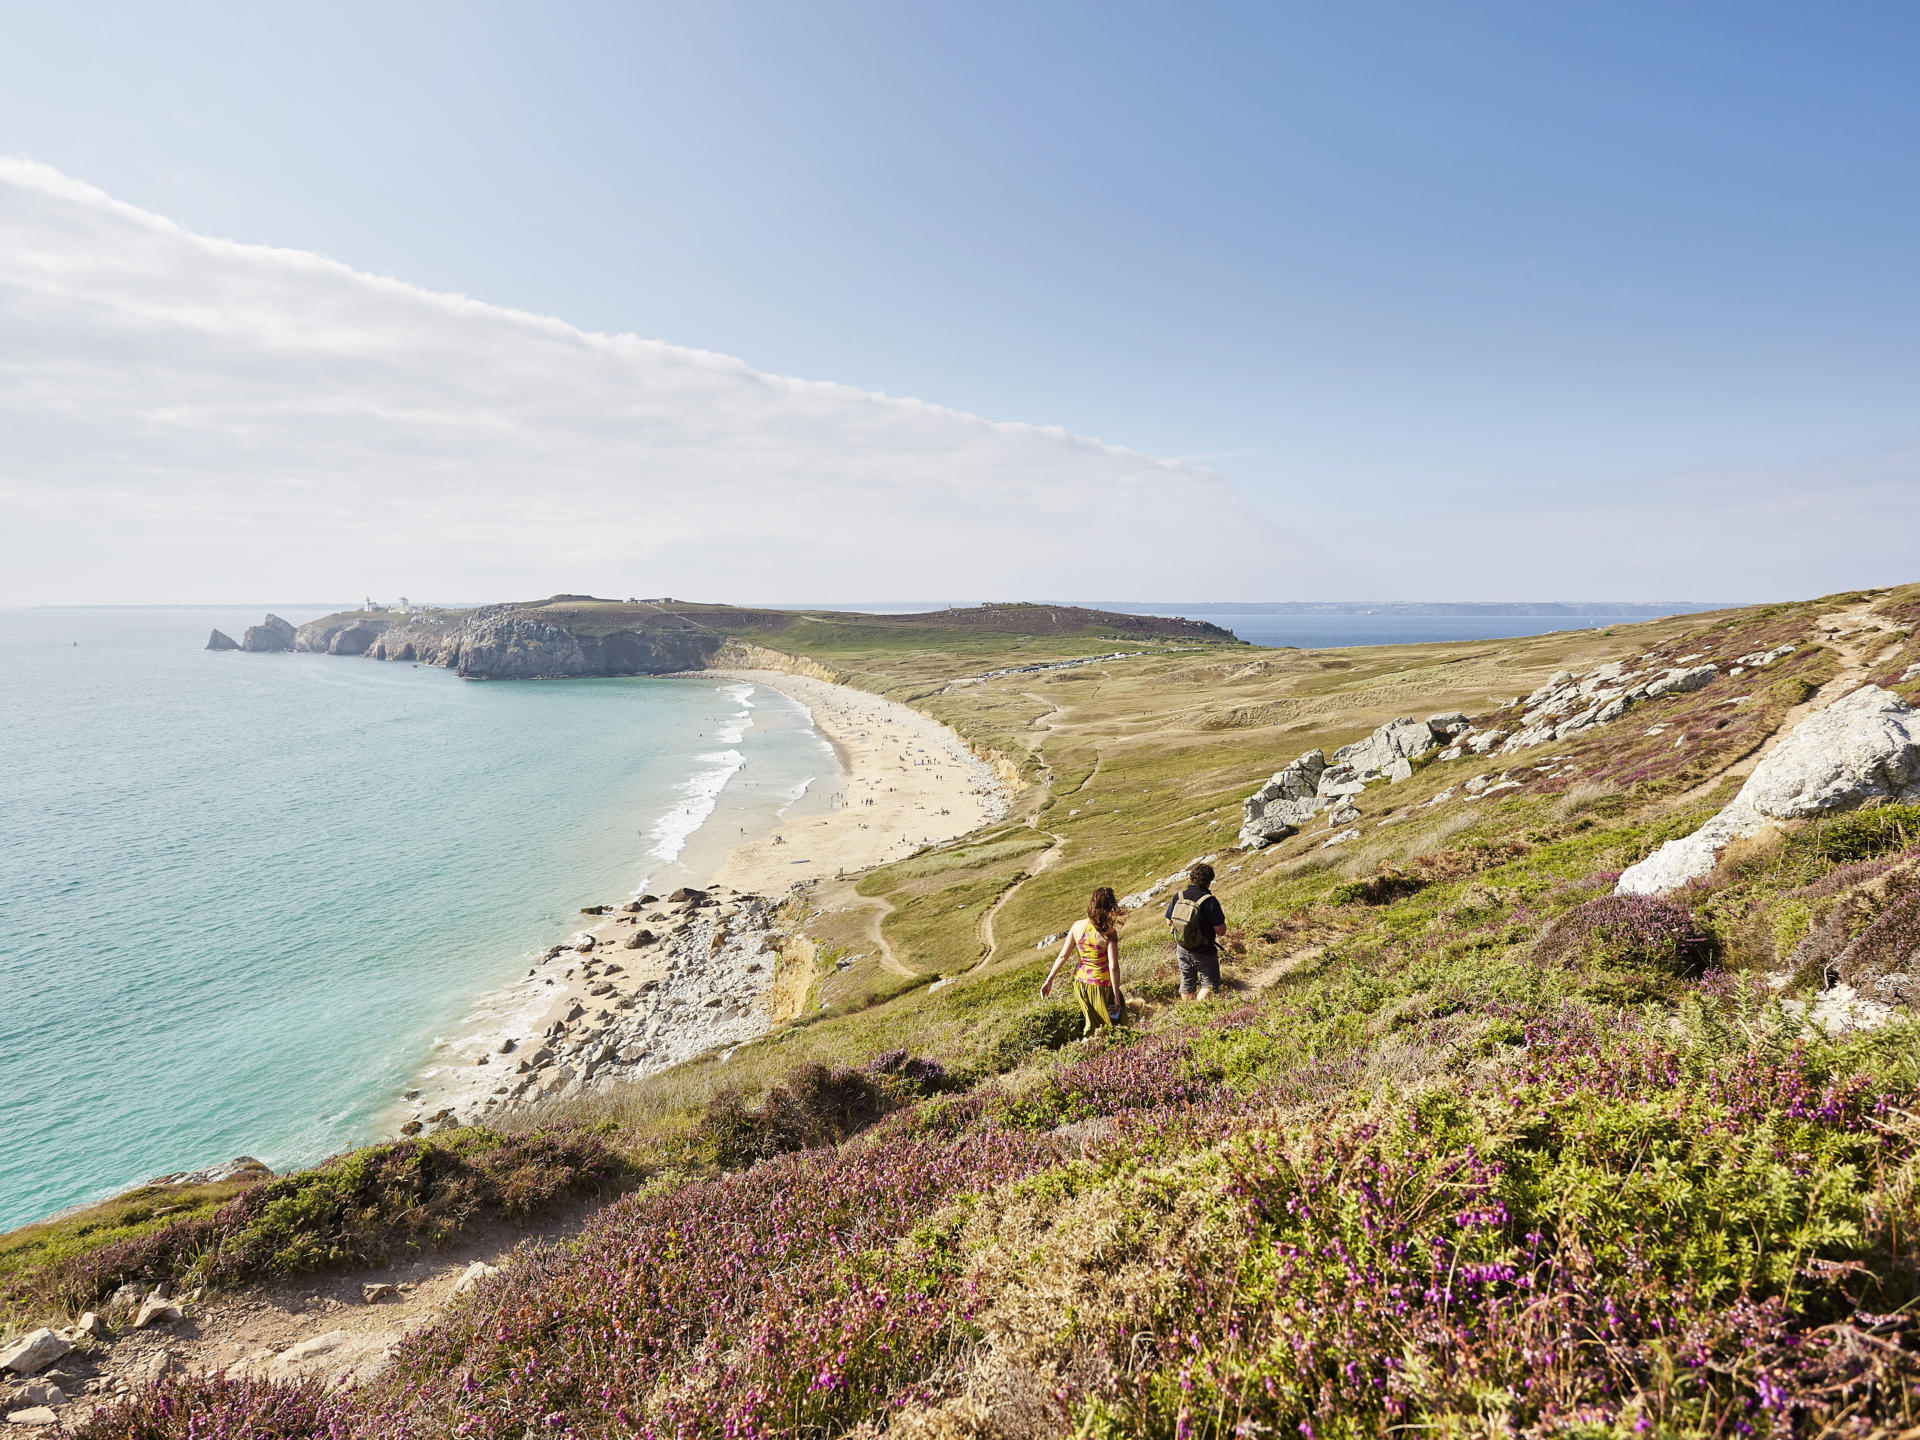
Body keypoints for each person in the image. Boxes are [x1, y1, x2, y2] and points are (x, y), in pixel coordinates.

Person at [1040, 887, 1125, 1037]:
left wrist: (1049, 980)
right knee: (1111, 1027)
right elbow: (1113, 967)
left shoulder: (1077, 926)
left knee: (1092, 1025)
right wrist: (1116, 997)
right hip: (1101, 986)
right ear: (1110, 907)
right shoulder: (1108, 932)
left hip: (1080, 984)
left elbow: (1062, 956)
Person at [1164, 862, 1227, 1001]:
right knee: (1209, 983)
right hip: (1203, 949)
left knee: (1187, 982)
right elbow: (1221, 931)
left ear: (1191, 878)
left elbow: (1169, 921)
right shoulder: (1209, 900)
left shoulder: (1178, 896)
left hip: (1182, 947)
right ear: (1209, 881)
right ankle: (1200, 1009)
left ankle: (1188, 1012)